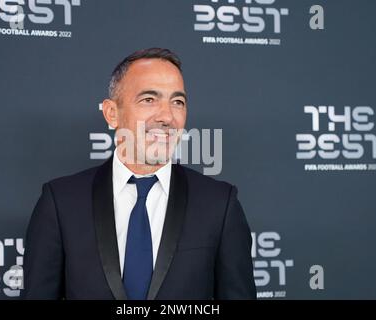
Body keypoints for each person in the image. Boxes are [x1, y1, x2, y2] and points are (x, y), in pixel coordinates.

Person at [23, 48, 256, 300]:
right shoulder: (61, 202)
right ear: (112, 113)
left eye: (178, 102)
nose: (167, 116)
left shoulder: (219, 204)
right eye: (149, 99)